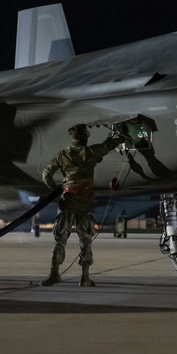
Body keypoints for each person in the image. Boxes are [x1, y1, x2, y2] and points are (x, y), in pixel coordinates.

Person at [41, 122, 119, 288]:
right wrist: (118, 136)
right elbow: (110, 145)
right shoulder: (91, 152)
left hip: (67, 200)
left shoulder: (62, 155)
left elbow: (46, 174)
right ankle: (85, 277)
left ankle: (54, 274)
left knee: (60, 237)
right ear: (86, 137)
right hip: (86, 201)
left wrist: (56, 188)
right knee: (86, 238)